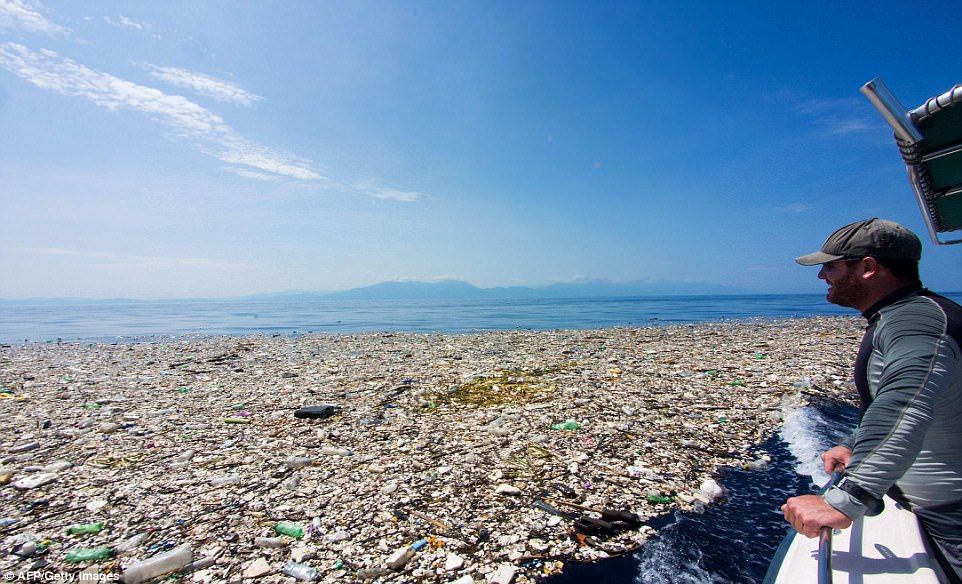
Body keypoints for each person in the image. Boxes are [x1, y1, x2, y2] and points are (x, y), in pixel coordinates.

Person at [781, 217, 962, 583]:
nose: (822, 277)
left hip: (951, 522)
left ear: (867, 267)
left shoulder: (915, 323)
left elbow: (905, 405)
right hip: (926, 509)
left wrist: (844, 500)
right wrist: (854, 444)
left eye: (830, 266)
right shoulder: (904, 316)